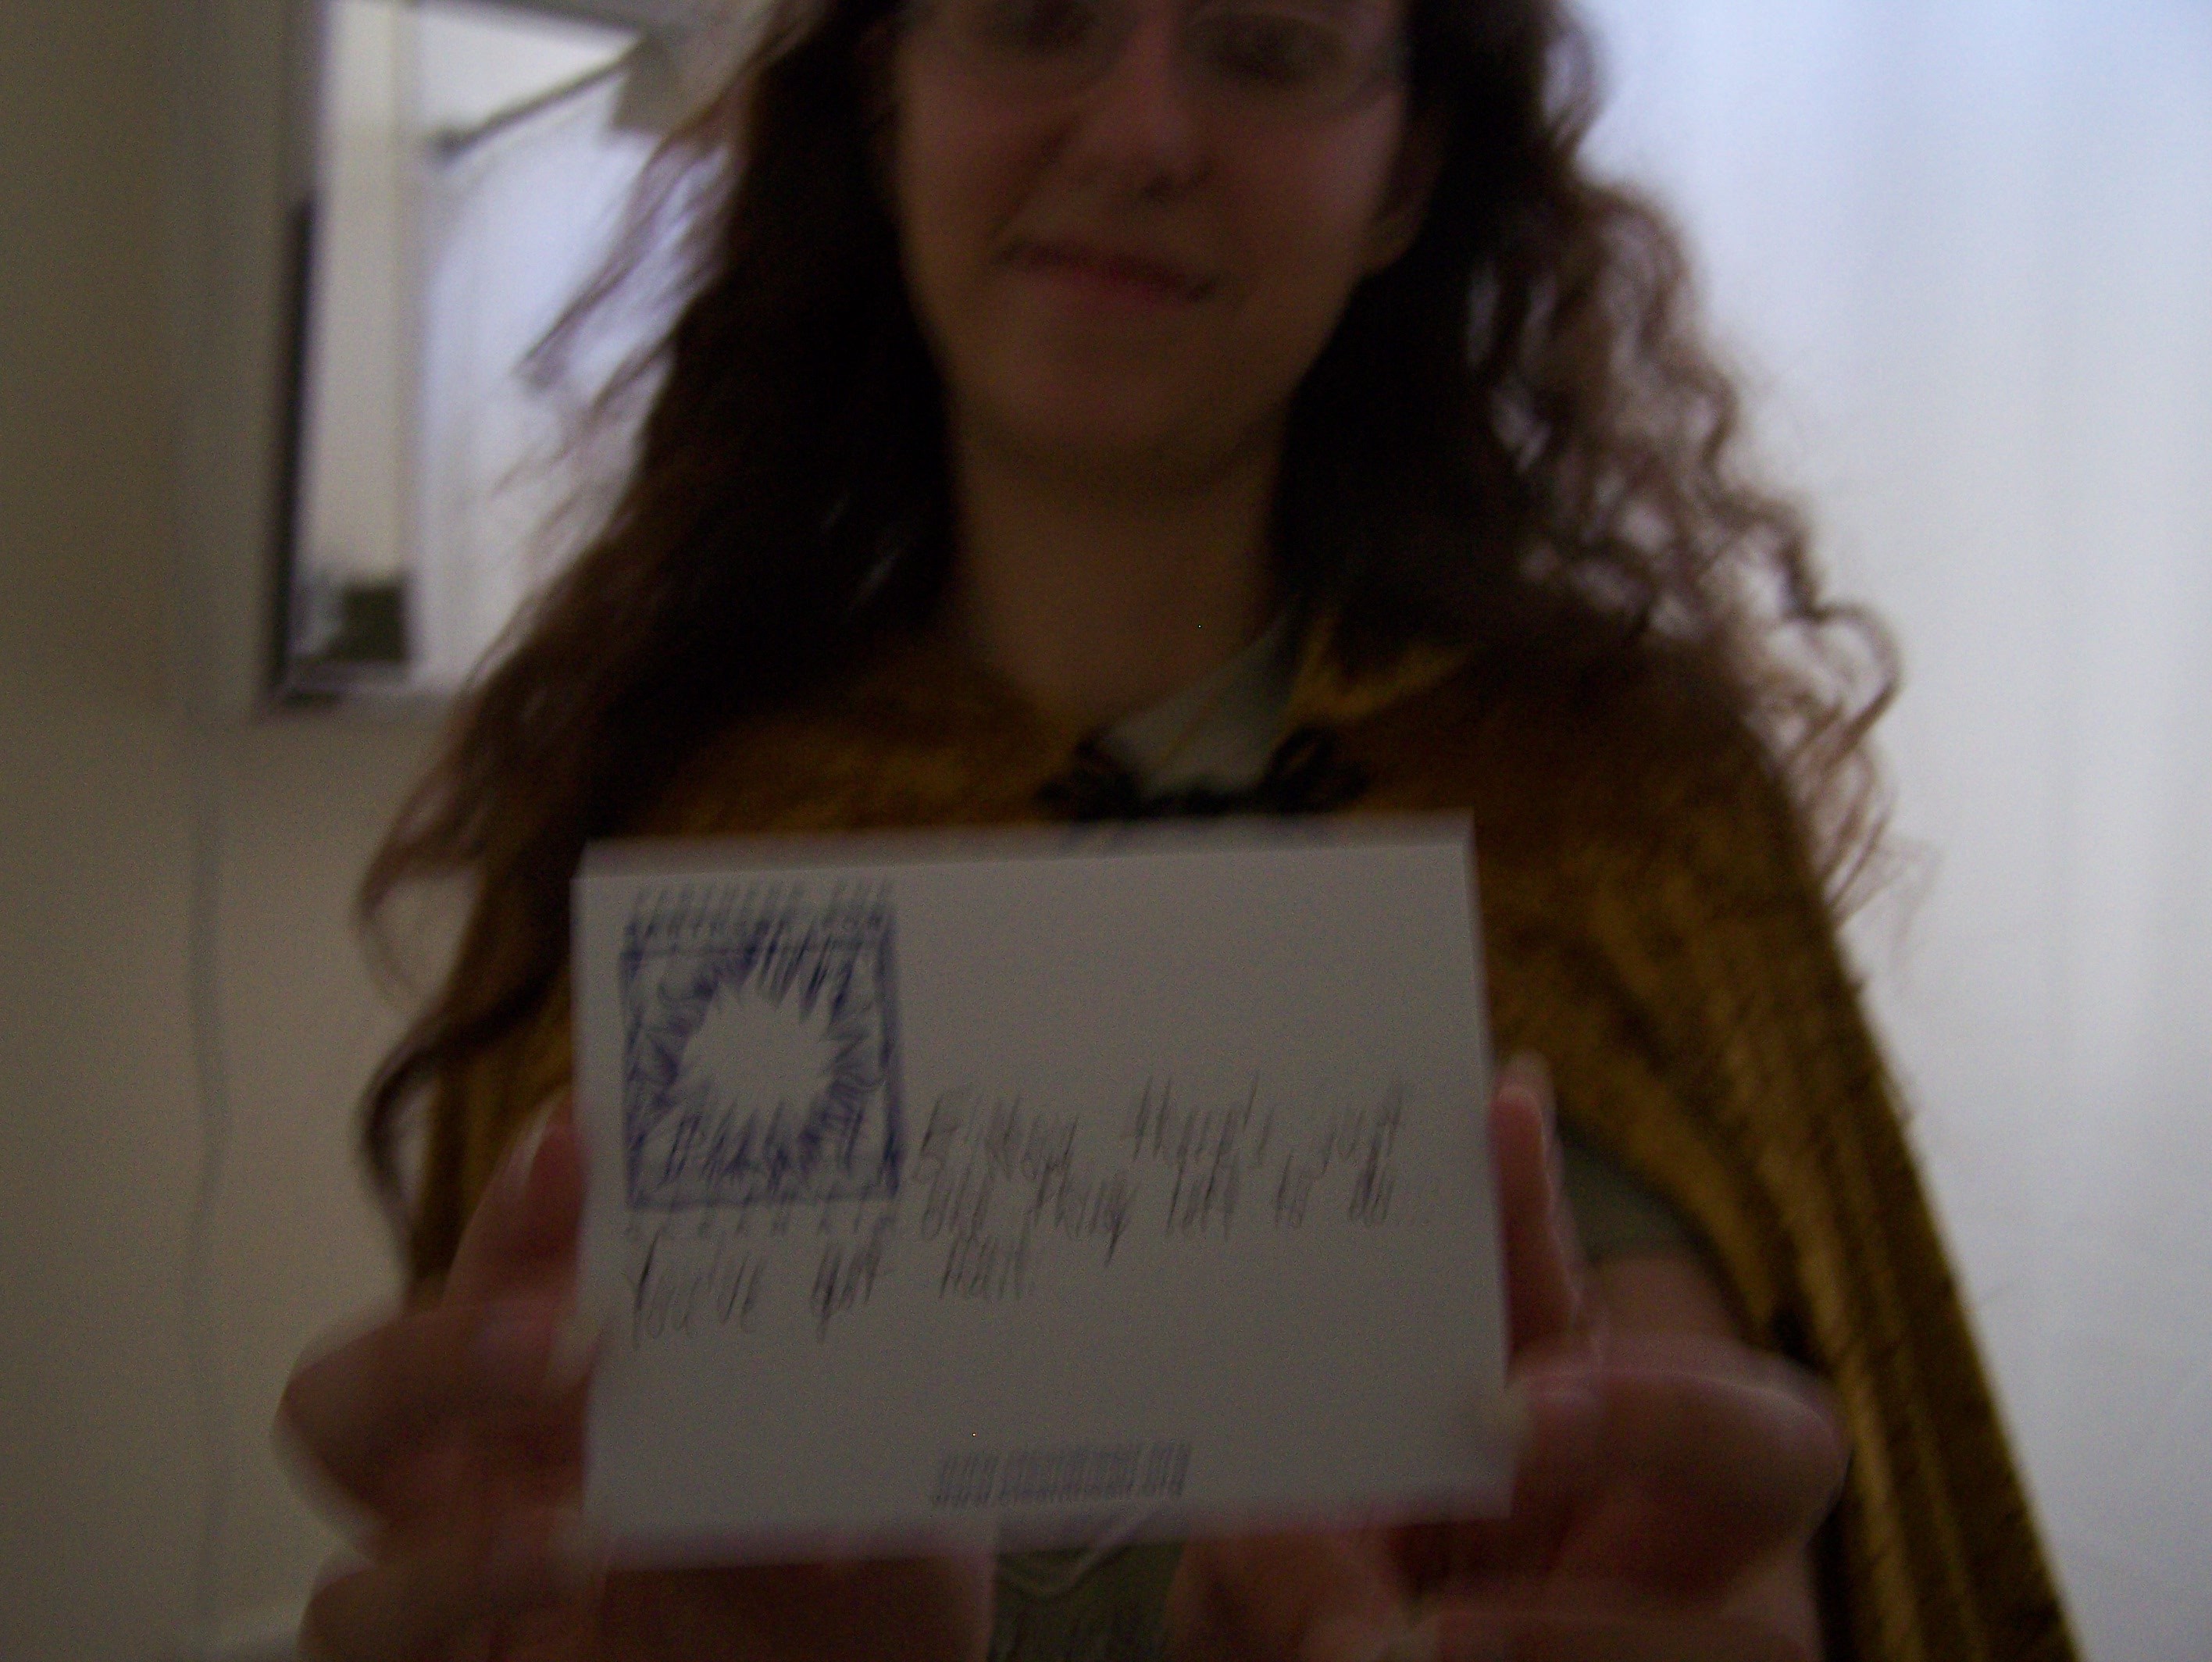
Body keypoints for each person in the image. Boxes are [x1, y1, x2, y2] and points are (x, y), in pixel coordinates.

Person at [277, 0, 2077, 1656]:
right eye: (1037, 18)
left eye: (1268, 46)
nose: (1142, 135)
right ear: (889, 98)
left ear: (1406, 172)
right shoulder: (658, 817)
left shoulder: (1631, 807)